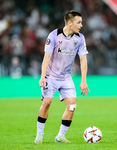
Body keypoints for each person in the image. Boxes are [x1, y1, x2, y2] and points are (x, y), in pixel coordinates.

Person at [34, 10, 90, 144]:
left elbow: (83, 60)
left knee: (72, 106)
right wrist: (42, 77)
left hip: (66, 78)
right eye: (79, 22)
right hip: (51, 76)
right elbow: (46, 57)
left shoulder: (80, 38)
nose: (81, 25)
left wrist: (83, 81)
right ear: (70, 23)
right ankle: (39, 136)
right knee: (46, 103)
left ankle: (60, 136)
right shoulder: (54, 35)